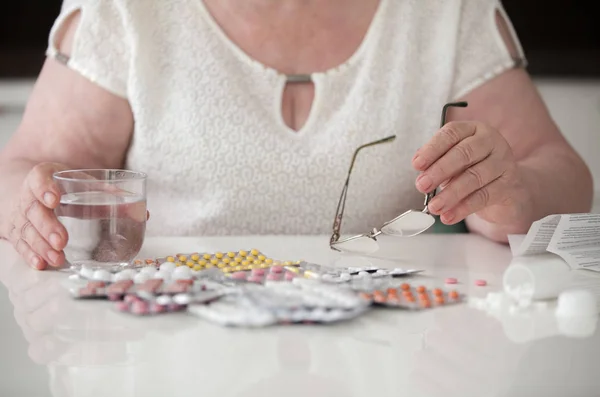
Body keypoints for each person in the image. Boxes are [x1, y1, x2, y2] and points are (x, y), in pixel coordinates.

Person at [0, 0, 593, 270]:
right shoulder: (127, 12)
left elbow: (559, 173)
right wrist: (29, 204)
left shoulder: (446, 14)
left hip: (389, 347)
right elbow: (22, 170)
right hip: (162, 339)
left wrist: (517, 194)